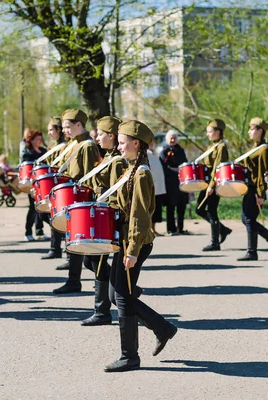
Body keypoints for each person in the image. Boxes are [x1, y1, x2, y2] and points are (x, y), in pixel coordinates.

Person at [104, 119, 177, 373]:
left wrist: (132, 250)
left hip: (135, 243)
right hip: (125, 241)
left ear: (136, 143)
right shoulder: (130, 168)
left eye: (123, 142)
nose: (119, 146)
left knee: (122, 297)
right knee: (115, 294)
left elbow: (140, 215)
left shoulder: (142, 173)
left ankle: (129, 356)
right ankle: (163, 327)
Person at [81, 116, 128, 326]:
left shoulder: (117, 160)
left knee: (98, 262)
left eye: (100, 134)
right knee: (89, 260)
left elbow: (117, 194)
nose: (96, 137)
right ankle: (124, 289)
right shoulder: (107, 156)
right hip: (99, 211)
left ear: (111, 135)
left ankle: (102, 311)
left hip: (106, 215)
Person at [53, 109, 101, 294]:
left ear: (79, 125)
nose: (64, 130)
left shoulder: (87, 146)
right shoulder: (73, 144)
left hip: (81, 198)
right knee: (74, 242)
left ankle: (107, 280)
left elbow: (90, 175)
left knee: (88, 247)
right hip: (71, 198)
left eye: (67, 126)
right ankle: (74, 280)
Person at [238, 118, 268, 261]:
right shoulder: (254, 147)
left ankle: (252, 252)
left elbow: (263, 173)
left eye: (252, 129)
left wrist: (261, 193)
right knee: (246, 218)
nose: (249, 131)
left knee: (249, 219)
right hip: (249, 187)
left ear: (260, 131)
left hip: (256, 188)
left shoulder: (264, 149)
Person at [195, 119, 233, 251]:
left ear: (218, 132)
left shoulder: (221, 147)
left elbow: (218, 168)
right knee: (199, 209)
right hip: (207, 183)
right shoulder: (213, 146)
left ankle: (215, 242)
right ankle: (222, 230)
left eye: (210, 132)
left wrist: (211, 185)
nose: (208, 134)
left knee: (211, 211)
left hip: (214, 183)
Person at [42, 117, 69, 264]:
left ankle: (61, 250)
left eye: (51, 130)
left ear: (59, 130)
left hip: (62, 185)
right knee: (49, 216)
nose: (49, 133)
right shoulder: (55, 146)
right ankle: (55, 248)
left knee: (61, 218)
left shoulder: (65, 146)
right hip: (54, 185)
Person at [160, 130, 189, 235]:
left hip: (181, 182)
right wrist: (174, 170)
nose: (172, 140)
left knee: (182, 206)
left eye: (174, 138)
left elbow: (185, 162)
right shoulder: (164, 151)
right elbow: (163, 167)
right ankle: (171, 229)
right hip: (170, 183)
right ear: (167, 139)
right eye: (171, 138)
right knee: (171, 206)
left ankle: (180, 228)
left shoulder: (180, 150)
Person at [20, 129, 47, 241]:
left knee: (41, 207)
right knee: (33, 208)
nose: (39, 141)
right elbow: (26, 169)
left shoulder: (44, 151)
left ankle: (39, 231)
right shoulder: (27, 152)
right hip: (31, 183)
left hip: (42, 183)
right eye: (37, 139)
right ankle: (28, 231)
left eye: (40, 139)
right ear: (31, 140)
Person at [147, 141, 166, 236]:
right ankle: (150, 229)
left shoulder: (155, 154)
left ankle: (154, 228)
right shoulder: (146, 154)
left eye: (152, 143)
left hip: (158, 187)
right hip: (151, 187)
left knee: (157, 209)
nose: (151, 144)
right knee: (151, 210)